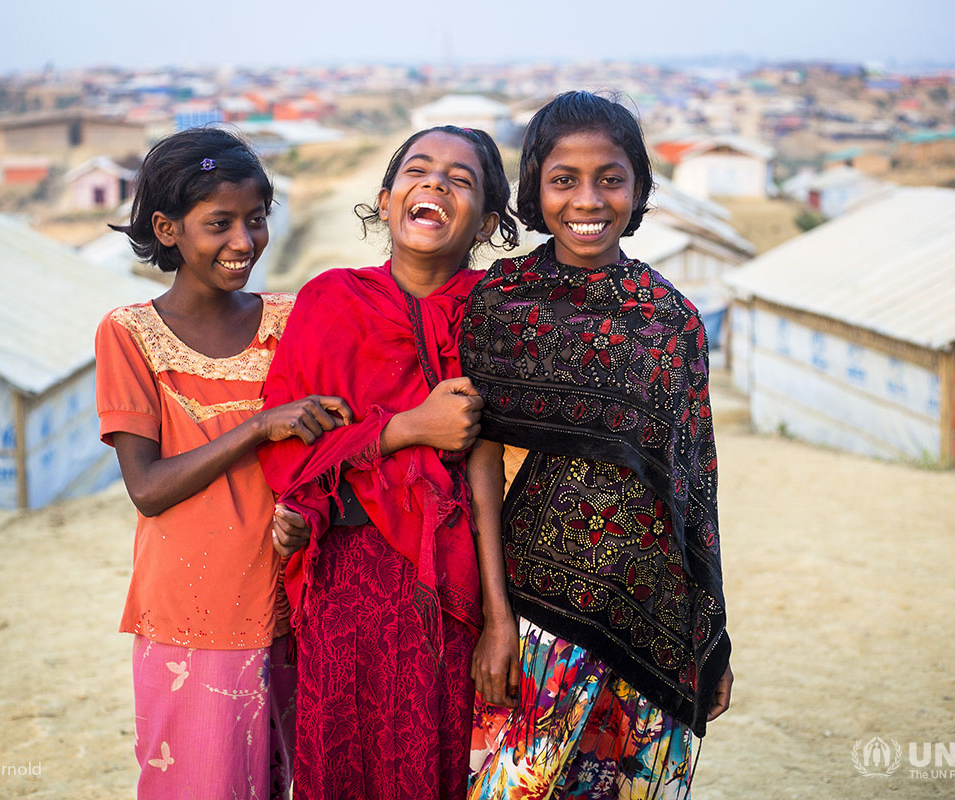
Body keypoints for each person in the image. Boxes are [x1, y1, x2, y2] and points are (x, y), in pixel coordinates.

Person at [460, 91, 734, 800]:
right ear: (534, 187)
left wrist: (712, 637)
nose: (588, 199)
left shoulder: (670, 320)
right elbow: (479, 464)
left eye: (610, 178)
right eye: (563, 179)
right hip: (532, 623)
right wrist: (496, 621)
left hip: (652, 623)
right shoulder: (500, 302)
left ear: (638, 186)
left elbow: (694, 486)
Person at [258, 125, 520, 800]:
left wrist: (498, 620)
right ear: (385, 199)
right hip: (343, 589)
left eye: (460, 179)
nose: (434, 183)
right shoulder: (329, 301)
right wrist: (408, 428)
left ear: (488, 221)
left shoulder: (493, 314)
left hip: (445, 599)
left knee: (429, 775)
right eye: (418, 170)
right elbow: (293, 454)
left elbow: (489, 470)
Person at [94, 127, 351, 799]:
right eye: (219, 224)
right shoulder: (129, 335)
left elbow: (333, 450)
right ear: (167, 228)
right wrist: (260, 424)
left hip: (297, 602)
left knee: (299, 779)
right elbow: (148, 488)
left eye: (256, 219)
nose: (244, 241)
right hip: (192, 614)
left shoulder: (292, 320)